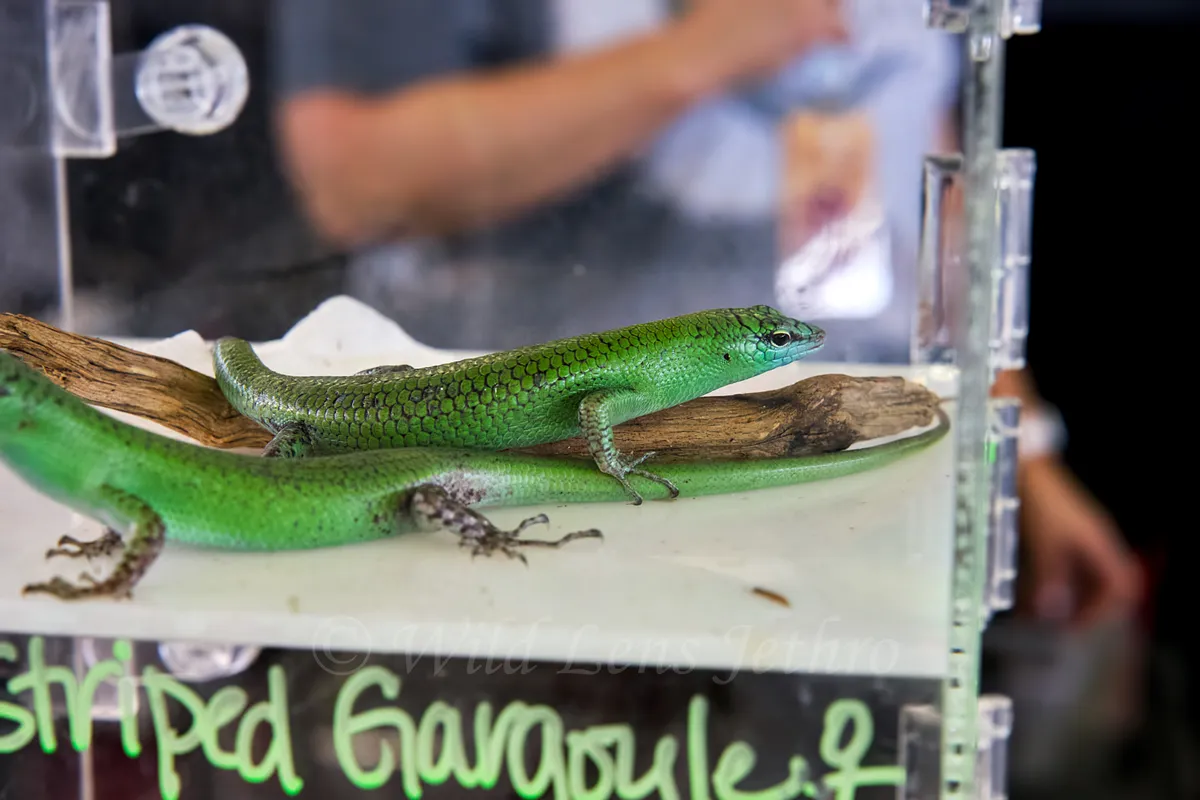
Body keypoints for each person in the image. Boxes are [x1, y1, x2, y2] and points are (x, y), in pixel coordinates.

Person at [267, 0, 1141, 634]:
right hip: (520, 481)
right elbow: (351, 179)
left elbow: (938, 166)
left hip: (862, 488)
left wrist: (1016, 440)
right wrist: (703, 50)